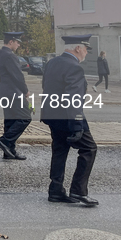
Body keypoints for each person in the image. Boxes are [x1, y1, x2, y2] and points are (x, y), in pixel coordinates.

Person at [41, 34, 98, 206]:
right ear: (78, 48)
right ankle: (78, 191)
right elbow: (74, 98)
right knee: (89, 149)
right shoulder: (75, 67)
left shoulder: (52, 63)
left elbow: (46, 87)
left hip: (53, 116)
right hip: (68, 117)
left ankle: (56, 190)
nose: (86, 53)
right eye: (86, 49)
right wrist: (77, 124)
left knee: (60, 150)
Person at [0, 31, 32, 160]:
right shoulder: (10, 55)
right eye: (17, 42)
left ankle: (9, 151)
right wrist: (25, 91)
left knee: (10, 121)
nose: (18, 45)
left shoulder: (1, 53)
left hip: (5, 92)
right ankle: (5, 141)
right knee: (25, 118)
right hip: (13, 92)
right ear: (11, 42)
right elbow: (18, 76)